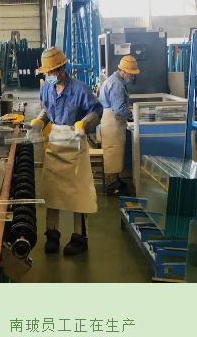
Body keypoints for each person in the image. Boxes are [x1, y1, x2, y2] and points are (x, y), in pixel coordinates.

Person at [28, 47, 103, 256]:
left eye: (51, 72)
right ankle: (52, 235)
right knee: (52, 192)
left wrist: (84, 124)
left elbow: (97, 110)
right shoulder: (46, 88)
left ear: (61, 70)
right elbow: (47, 109)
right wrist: (39, 122)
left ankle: (79, 238)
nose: (48, 75)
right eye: (46, 72)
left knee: (78, 194)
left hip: (75, 146)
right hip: (55, 145)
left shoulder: (79, 89)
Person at [98, 55, 140, 193]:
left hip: (110, 120)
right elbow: (119, 108)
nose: (132, 77)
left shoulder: (113, 80)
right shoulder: (117, 84)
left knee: (114, 151)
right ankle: (111, 183)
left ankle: (114, 179)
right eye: (131, 74)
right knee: (113, 151)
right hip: (113, 121)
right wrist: (133, 115)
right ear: (124, 71)